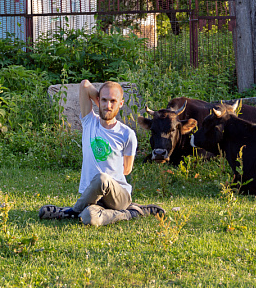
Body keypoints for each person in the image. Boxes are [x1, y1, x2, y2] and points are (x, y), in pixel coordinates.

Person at [39, 79, 165, 226]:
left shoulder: (127, 134)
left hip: (118, 196)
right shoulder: (89, 122)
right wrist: (104, 107)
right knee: (89, 218)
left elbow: (127, 169)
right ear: (98, 100)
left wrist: (108, 108)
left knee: (102, 179)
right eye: (104, 100)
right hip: (93, 197)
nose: (108, 105)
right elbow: (85, 85)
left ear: (121, 103)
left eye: (113, 101)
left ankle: (71, 211)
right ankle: (131, 213)